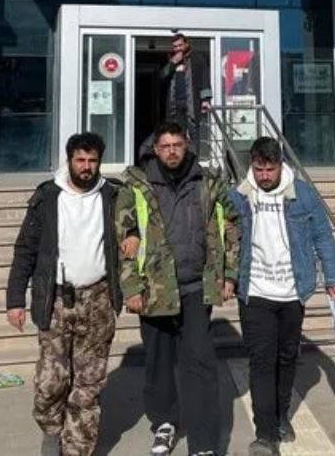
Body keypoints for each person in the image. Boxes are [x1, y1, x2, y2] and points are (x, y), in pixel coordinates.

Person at [116, 121, 241, 456]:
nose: (172, 152)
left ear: (187, 146)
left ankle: (203, 443)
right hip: (154, 291)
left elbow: (231, 227)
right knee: (158, 365)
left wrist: (230, 275)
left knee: (200, 365)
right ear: (155, 149)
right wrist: (131, 287)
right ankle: (165, 423)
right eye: (165, 146)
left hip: (197, 288)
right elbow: (124, 238)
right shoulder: (137, 186)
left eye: (177, 145)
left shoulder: (208, 182)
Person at [5, 132, 123, 456]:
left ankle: (76, 448)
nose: (86, 167)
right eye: (80, 160)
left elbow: (136, 227)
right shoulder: (47, 197)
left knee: (88, 385)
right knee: (50, 382)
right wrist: (15, 300)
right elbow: (25, 249)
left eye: (92, 161)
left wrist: (133, 238)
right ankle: (53, 430)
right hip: (56, 299)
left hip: (98, 299)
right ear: (69, 160)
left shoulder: (113, 196)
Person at [229, 137, 335, 456]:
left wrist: (334, 277)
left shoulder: (303, 194)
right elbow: (221, 236)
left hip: (293, 291)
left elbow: (323, 236)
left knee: (286, 357)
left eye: (270, 169)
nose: (264, 176)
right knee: (261, 361)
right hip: (255, 291)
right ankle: (265, 434)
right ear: (251, 166)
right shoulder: (240, 195)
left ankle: (281, 416)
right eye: (259, 170)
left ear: (281, 165)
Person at [160, 33, 212, 150]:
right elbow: (161, 77)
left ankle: (194, 159)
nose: (178, 48)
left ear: (186, 44)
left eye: (180, 45)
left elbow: (205, 79)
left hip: (192, 102)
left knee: (194, 133)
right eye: (175, 46)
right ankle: (181, 158)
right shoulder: (170, 59)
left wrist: (206, 99)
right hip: (175, 104)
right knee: (177, 134)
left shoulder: (197, 58)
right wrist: (173, 63)